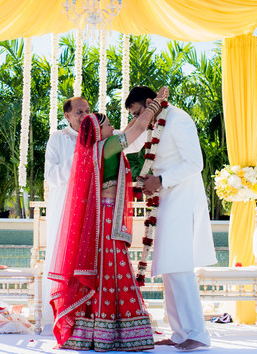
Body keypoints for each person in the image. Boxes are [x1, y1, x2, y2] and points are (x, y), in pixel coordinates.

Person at [48, 87, 168, 351]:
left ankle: (95, 330)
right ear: (98, 129)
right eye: (109, 124)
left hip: (103, 218)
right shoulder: (107, 146)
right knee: (113, 267)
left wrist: (145, 113)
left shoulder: (97, 147)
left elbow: (130, 129)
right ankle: (118, 330)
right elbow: (136, 130)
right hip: (106, 220)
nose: (114, 127)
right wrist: (155, 105)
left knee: (105, 270)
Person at [125, 86, 217, 351]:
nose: (140, 118)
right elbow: (130, 143)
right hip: (165, 200)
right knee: (168, 267)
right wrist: (100, 140)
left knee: (180, 266)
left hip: (182, 197)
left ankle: (198, 334)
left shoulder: (178, 119)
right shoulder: (153, 122)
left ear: (151, 103)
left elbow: (194, 163)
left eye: (139, 112)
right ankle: (179, 333)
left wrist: (161, 179)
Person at [42, 97, 91, 333]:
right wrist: (79, 155)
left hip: (92, 208)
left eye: (87, 111)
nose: (84, 115)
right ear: (67, 116)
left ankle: (88, 317)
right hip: (64, 207)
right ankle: (59, 314)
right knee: (63, 258)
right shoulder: (58, 138)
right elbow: (51, 176)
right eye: (79, 111)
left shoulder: (98, 134)